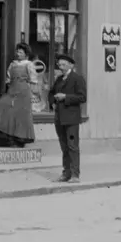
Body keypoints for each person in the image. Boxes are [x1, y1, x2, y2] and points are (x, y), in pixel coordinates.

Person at [49, 52, 87, 183]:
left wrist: (65, 97)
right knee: (64, 147)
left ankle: (75, 175)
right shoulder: (59, 79)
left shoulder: (77, 79)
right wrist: (52, 102)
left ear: (71, 65)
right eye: (59, 64)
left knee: (72, 146)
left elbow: (82, 97)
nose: (61, 66)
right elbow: (51, 92)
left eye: (64, 64)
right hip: (59, 118)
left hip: (71, 119)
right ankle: (66, 173)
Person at [0, 43, 38, 147]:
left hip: (23, 92)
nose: (18, 54)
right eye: (17, 51)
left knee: (19, 116)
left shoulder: (29, 64)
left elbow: (33, 81)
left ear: (26, 54)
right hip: (12, 90)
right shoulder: (13, 64)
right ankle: (8, 137)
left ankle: (18, 140)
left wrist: (31, 94)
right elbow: (8, 78)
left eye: (20, 52)